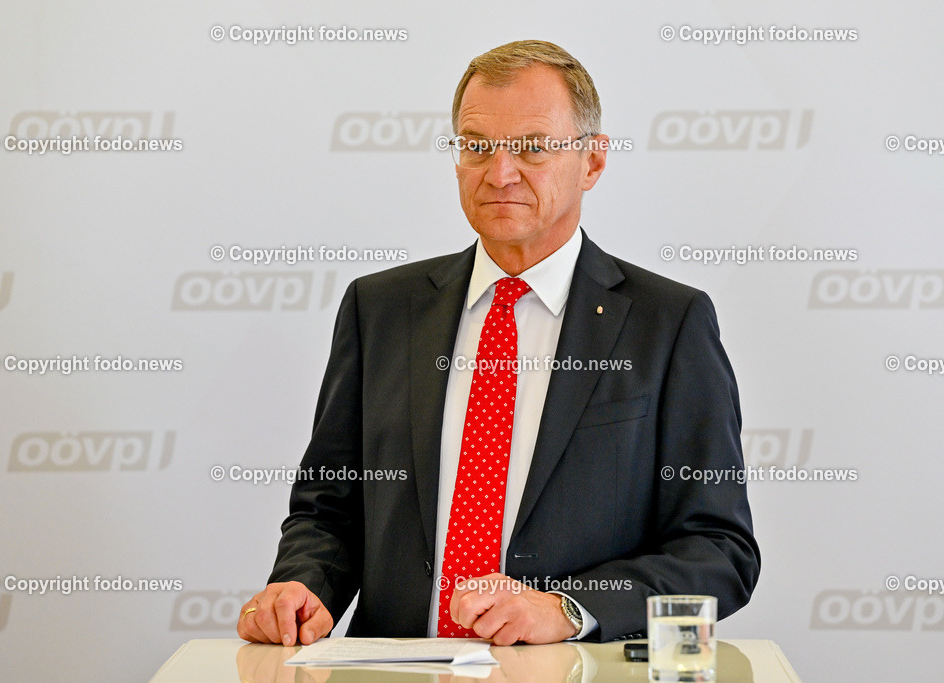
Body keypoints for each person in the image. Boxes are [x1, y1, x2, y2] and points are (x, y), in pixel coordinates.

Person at [237, 39, 759, 647]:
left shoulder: (668, 323)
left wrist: (567, 609)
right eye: (476, 147)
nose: (499, 173)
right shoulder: (378, 309)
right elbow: (329, 509)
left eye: (533, 148)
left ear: (592, 162)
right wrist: (304, 587)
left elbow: (719, 551)